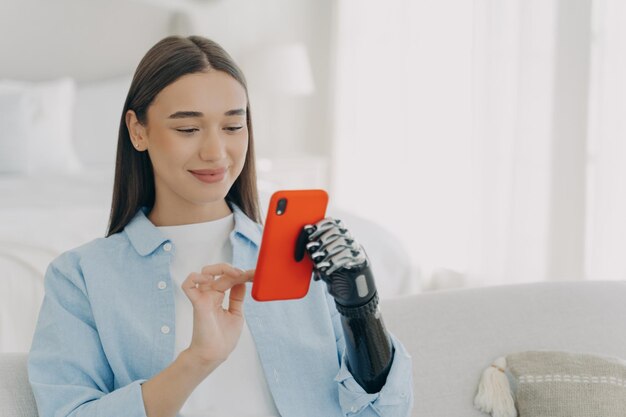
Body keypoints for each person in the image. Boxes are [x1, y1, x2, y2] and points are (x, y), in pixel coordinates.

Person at [27, 35, 414, 417]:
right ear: (138, 131)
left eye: (232, 127)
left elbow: (383, 412)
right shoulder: (81, 278)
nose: (215, 153)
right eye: (188, 129)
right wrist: (197, 360)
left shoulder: (304, 259)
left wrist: (362, 312)